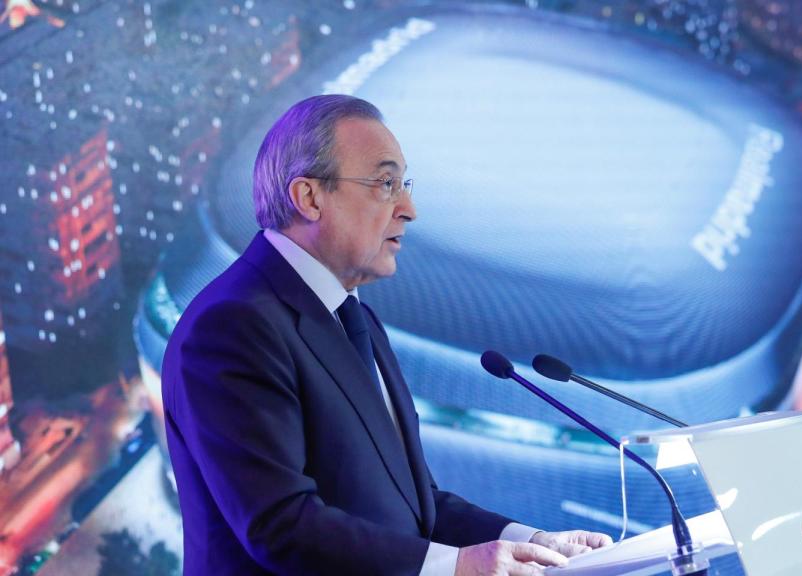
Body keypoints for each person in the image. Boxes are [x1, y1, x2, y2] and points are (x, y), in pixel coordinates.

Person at [162, 94, 611, 575]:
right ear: (309, 197)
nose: (409, 208)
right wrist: (458, 569)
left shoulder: (356, 319)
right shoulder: (231, 325)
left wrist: (534, 543)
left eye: (404, 185)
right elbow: (281, 525)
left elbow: (418, 510)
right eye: (386, 184)